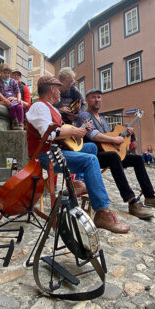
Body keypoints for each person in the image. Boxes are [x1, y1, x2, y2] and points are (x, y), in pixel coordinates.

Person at [26, 76, 129, 234]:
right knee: (90, 160)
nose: (61, 92)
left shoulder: (50, 108)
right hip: (45, 156)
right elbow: (50, 133)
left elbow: (62, 137)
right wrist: (75, 130)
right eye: (58, 88)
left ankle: (79, 182)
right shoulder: (39, 107)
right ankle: (102, 213)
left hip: (56, 151)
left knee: (90, 148)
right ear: (52, 89)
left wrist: (79, 133)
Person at [76, 89, 155, 220]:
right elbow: (93, 135)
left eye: (99, 97)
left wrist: (124, 134)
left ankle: (150, 196)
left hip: (109, 153)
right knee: (113, 156)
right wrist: (114, 139)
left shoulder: (103, 119)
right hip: (93, 155)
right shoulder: (84, 115)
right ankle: (131, 202)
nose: (97, 99)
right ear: (87, 100)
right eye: (93, 97)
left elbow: (111, 137)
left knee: (137, 159)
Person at [0, 63, 25, 130]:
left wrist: (19, 99)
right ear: (0, 72)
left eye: (8, 73)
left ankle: (21, 123)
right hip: (6, 99)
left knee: (20, 106)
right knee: (12, 107)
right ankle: (14, 121)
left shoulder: (13, 81)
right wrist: (4, 99)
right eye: (5, 73)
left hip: (13, 99)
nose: (7, 75)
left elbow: (18, 92)